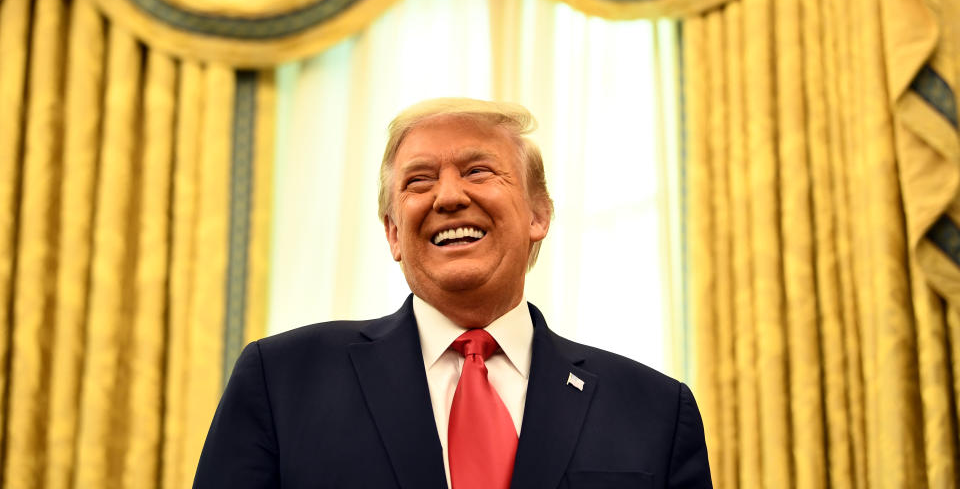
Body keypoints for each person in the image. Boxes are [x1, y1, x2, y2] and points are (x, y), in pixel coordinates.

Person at [193, 97, 713, 488]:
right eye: (418, 182)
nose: (448, 196)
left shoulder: (655, 411)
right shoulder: (281, 380)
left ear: (539, 214)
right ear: (394, 233)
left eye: (477, 171)